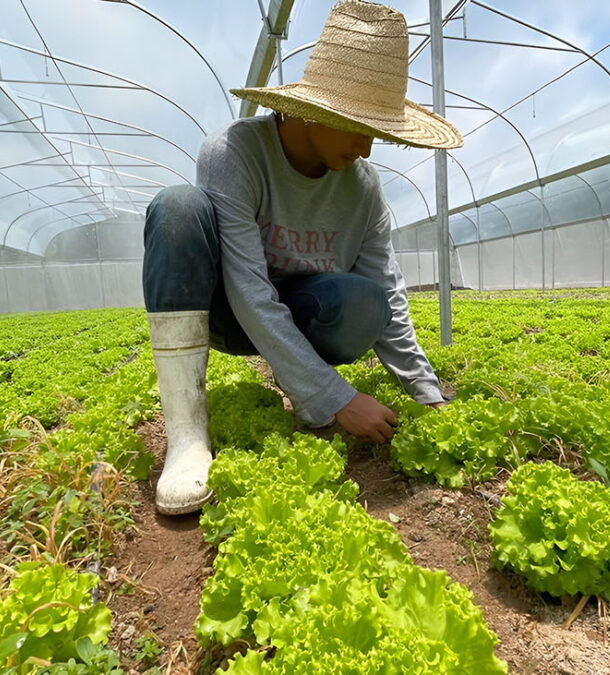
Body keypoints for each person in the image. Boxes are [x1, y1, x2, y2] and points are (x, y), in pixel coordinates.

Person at [142, 0, 463, 515]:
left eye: (377, 132)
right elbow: (247, 289)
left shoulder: (363, 189)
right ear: (314, 111)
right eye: (358, 126)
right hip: (227, 314)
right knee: (177, 209)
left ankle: (301, 381)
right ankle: (186, 436)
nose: (367, 148)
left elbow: (389, 290)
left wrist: (427, 393)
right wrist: (336, 397)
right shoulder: (235, 152)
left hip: (305, 310)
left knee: (365, 301)